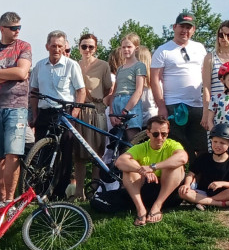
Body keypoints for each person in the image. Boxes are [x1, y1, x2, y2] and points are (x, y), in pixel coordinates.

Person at [0, 12, 33, 204]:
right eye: (13, 28)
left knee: (14, 152)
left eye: (19, 27)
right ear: (2, 28)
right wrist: (9, 74)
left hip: (17, 106)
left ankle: (10, 200)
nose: (17, 31)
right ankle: (0, 200)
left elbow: (21, 72)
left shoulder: (24, 46)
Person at [29, 30, 87, 199]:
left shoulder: (71, 65)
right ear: (47, 46)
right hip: (45, 112)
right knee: (43, 153)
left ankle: (60, 193)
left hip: (65, 112)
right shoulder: (39, 66)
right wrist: (34, 114)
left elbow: (81, 91)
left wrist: (74, 113)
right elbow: (34, 91)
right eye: (53, 45)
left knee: (65, 153)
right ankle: (42, 190)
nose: (56, 49)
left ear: (64, 47)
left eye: (60, 46)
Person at [151, 12, 208, 162]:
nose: (185, 31)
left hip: (197, 105)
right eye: (182, 26)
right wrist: (161, 106)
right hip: (174, 105)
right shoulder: (163, 50)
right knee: (178, 148)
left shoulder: (200, 48)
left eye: (189, 27)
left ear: (194, 29)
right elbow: (155, 79)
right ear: (174, 27)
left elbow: (206, 75)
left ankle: (198, 182)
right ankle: (179, 182)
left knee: (202, 147)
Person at [114, 115, 188, 225]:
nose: (160, 138)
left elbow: (183, 158)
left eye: (164, 134)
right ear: (148, 133)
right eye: (155, 134)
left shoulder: (172, 144)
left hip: (168, 193)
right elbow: (119, 162)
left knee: (175, 166)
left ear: (168, 133)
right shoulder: (141, 147)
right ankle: (141, 210)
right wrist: (141, 170)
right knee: (129, 168)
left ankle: (157, 207)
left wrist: (152, 167)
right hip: (146, 189)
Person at [178, 124, 229, 209]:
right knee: (183, 192)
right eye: (215, 142)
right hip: (203, 192)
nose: (217, 145)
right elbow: (191, 173)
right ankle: (221, 204)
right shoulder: (204, 157)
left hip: (223, 194)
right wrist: (187, 185)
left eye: (222, 143)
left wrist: (222, 183)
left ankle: (205, 202)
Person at [77, 33, 112, 178]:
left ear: (95, 48)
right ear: (79, 48)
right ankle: (79, 191)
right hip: (79, 109)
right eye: (84, 46)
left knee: (97, 151)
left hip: (96, 110)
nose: (87, 49)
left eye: (91, 47)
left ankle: (95, 188)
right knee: (79, 151)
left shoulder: (103, 65)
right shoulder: (75, 65)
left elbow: (107, 87)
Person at [110, 33, 147, 142]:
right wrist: (111, 113)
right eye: (123, 47)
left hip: (131, 103)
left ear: (136, 48)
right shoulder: (120, 69)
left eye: (129, 47)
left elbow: (139, 90)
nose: (126, 49)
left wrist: (126, 110)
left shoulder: (139, 66)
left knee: (132, 140)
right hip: (117, 102)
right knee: (118, 141)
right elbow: (114, 92)